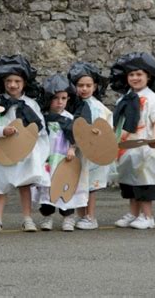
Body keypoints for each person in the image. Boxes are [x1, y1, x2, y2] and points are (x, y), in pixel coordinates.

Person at [0, 55, 50, 233]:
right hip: (3, 150)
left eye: (17, 81)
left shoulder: (31, 105)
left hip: (24, 152)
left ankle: (27, 218)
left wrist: (29, 139)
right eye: (9, 81)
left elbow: (41, 129)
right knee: (1, 185)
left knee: (24, 185)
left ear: (24, 83)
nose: (13, 85)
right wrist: (2, 131)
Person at [110, 52, 155, 229]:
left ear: (148, 77)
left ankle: (148, 216)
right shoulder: (124, 99)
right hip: (127, 145)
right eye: (131, 74)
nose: (135, 78)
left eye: (139, 74)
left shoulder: (153, 99)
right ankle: (133, 213)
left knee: (144, 182)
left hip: (144, 144)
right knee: (128, 181)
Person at [32, 73, 89, 232]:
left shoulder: (69, 118)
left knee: (66, 186)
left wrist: (72, 148)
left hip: (64, 159)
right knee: (46, 187)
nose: (60, 102)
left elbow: (75, 136)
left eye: (64, 98)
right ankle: (47, 217)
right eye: (56, 98)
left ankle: (68, 217)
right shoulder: (43, 118)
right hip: (48, 160)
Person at [67, 62, 112, 230]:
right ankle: (81, 215)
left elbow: (105, 127)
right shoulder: (73, 105)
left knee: (91, 185)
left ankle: (90, 216)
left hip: (93, 151)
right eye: (80, 85)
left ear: (95, 86)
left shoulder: (99, 108)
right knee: (79, 182)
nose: (84, 89)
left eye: (88, 85)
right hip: (77, 150)